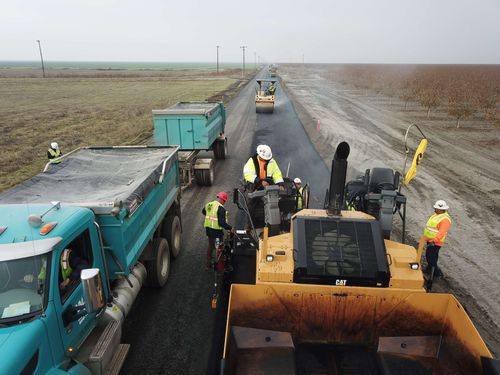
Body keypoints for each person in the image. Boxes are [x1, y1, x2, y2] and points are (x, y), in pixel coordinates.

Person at [202, 192, 234, 270]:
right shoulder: (221, 209)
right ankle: (221, 264)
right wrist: (230, 228)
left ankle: (208, 265)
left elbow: (203, 212)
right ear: (223, 200)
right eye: (225, 201)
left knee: (210, 246)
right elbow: (222, 223)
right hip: (217, 231)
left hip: (208, 229)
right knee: (220, 247)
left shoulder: (209, 204)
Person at [422, 200, 452, 277]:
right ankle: (430, 269)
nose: (434, 209)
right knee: (431, 257)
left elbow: (441, 232)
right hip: (431, 241)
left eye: (436, 208)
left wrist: (434, 240)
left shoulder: (445, 219)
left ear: (441, 209)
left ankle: (436, 273)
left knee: (431, 257)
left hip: (435, 242)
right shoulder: (437, 215)